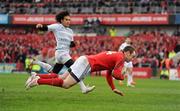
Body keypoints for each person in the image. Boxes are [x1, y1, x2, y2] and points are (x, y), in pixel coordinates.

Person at [25, 46, 136, 96]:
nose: (133, 59)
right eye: (133, 56)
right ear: (127, 53)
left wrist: (113, 88)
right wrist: (123, 76)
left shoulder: (117, 55)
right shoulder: (121, 58)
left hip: (84, 59)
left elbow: (108, 73)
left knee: (61, 77)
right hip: (87, 64)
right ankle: (37, 81)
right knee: (66, 84)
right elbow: (115, 74)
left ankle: (38, 76)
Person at [32, 11, 95, 94]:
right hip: (61, 53)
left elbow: (71, 44)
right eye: (66, 19)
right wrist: (40, 26)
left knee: (54, 73)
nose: (68, 21)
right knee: (76, 68)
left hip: (63, 54)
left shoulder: (70, 31)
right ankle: (83, 88)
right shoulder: (57, 27)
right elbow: (46, 28)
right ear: (61, 20)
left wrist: (75, 43)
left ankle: (36, 76)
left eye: (69, 20)